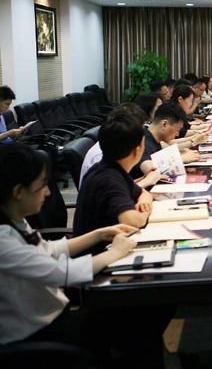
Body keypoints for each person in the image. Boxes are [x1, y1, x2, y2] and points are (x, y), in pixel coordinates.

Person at [0, 143, 149, 355]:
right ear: (18, 192)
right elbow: (61, 273)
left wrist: (98, 234)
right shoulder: (3, 240)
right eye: (41, 186)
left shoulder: (13, 220)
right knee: (136, 320)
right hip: (39, 335)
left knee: (135, 314)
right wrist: (115, 252)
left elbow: (48, 250)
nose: (48, 192)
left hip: (52, 317)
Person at [73, 111, 153, 250]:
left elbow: (143, 193)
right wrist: (146, 211)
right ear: (136, 151)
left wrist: (143, 201)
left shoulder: (108, 167)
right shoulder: (110, 180)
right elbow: (132, 222)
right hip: (99, 256)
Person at [79, 103, 163, 190]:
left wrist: (143, 181)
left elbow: (121, 185)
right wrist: (145, 183)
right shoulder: (102, 156)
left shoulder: (115, 144)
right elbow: (110, 189)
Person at [130, 102, 201, 179]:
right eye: (177, 130)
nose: (177, 135)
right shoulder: (143, 141)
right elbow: (148, 167)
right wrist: (181, 159)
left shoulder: (154, 139)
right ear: (164, 124)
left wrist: (179, 154)